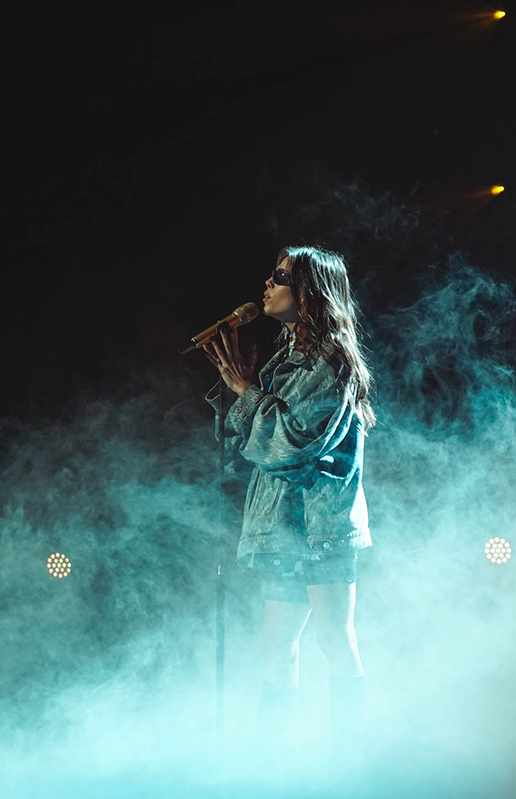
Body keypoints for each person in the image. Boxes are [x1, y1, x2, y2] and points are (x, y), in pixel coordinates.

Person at [203, 245, 375, 758]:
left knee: (333, 638)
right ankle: (268, 763)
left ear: (310, 292)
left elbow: (297, 438)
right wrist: (241, 389)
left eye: (281, 277)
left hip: (321, 524)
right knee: (275, 643)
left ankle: (350, 760)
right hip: (282, 524)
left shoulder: (331, 359)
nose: (267, 285)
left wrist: (246, 392)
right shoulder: (287, 355)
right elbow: (262, 426)